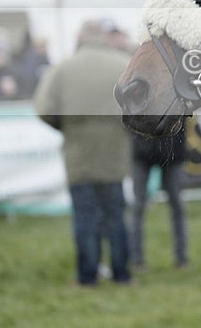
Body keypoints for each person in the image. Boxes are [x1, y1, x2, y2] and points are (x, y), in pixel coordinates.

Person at [33, 19, 133, 287]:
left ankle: (88, 276)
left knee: (84, 218)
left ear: (80, 37)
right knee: (115, 217)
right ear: (102, 37)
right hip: (114, 154)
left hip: (78, 156)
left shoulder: (63, 68)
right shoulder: (122, 65)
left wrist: (65, 127)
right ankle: (122, 274)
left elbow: (43, 108)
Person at [130, 129, 190, 269]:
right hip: (142, 150)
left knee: (177, 206)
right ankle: (136, 259)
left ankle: (182, 258)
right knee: (138, 207)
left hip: (172, 150)